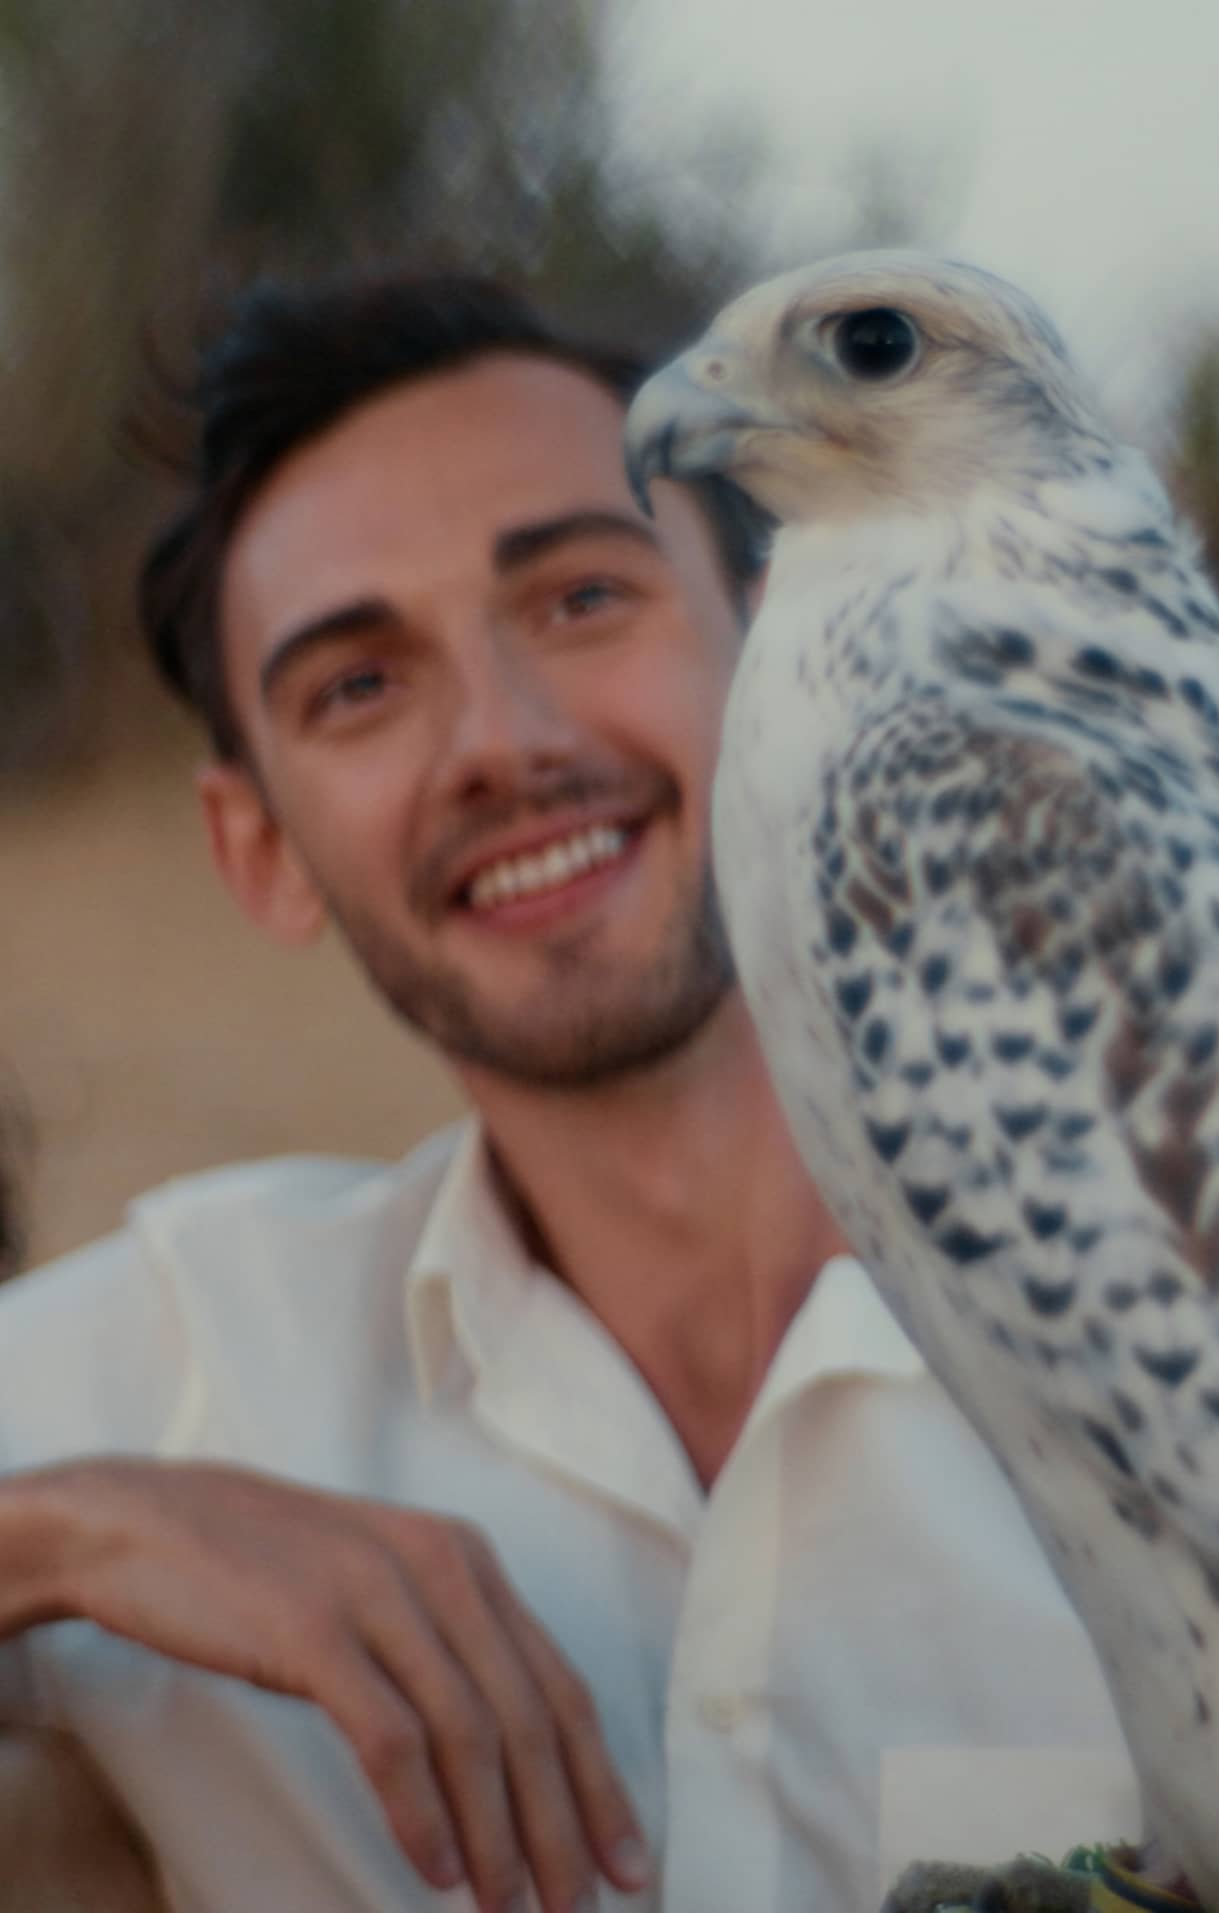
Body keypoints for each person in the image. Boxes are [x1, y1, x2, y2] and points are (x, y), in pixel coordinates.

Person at [0, 274, 1136, 1913]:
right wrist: (72, 1539)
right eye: (358, 686)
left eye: (580, 598)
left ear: (786, 637)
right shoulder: (193, 1361)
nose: (502, 740)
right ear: (261, 851)